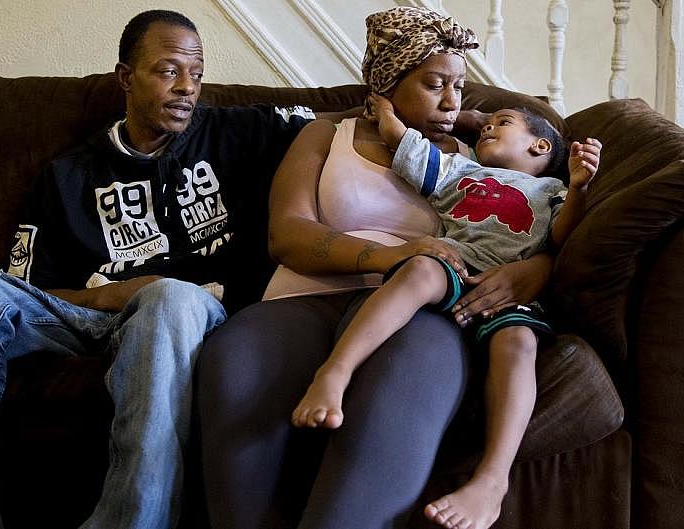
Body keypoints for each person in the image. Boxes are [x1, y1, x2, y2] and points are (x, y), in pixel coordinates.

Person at [195, 6, 559, 528]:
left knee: (400, 390)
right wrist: (393, 256)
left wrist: (540, 267)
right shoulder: (326, 135)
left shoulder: (473, 157)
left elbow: (527, 215)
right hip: (305, 296)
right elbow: (287, 234)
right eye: (436, 85)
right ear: (387, 85)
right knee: (235, 363)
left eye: (460, 87)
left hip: (420, 311)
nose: (453, 102)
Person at [0, 9, 315, 529]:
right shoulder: (68, 175)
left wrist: (464, 119)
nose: (187, 88)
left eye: (196, 73)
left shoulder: (238, 132)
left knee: (170, 296)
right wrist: (111, 295)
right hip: (87, 315)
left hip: (187, 310)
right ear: (126, 77)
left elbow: (351, 124)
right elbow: (25, 291)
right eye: (168, 71)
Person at [292, 91, 602, 527]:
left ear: (540, 146)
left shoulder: (549, 189)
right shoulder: (460, 171)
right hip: (453, 259)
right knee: (418, 269)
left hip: (507, 284)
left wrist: (579, 186)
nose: (489, 126)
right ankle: (336, 371)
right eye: (488, 123)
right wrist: (385, 111)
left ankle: (492, 481)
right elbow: (406, 145)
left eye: (503, 122)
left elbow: (560, 237)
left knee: (518, 342)